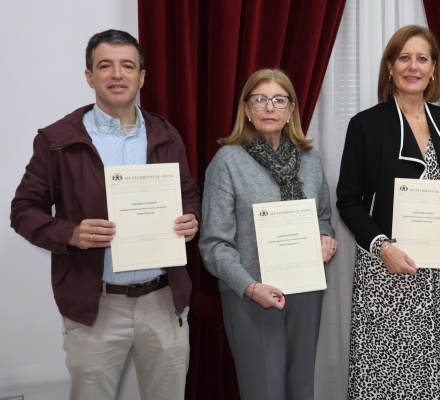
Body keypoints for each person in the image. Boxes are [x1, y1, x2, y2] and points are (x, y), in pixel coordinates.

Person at [9, 29, 199, 399]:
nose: (117, 74)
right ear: (89, 76)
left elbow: (187, 192)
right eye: (105, 66)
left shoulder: (167, 134)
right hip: (95, 307)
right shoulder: (58, 140)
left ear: (141, 76)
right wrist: (70, 234)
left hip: (163, 302)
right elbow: (23, 210)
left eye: (127, 65)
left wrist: (190, 216)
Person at [337, 25, 440, 399]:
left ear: (433, 69)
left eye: (422, 58)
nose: (413, 66)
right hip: (388, 269)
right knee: (389, 378)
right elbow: (348, 199)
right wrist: (382, 247)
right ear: (391, 67)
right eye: (404, 58)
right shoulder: (365, 125)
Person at [199, 68, 338, 399]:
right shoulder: (227, 161)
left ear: (291, 109)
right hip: (252, 297)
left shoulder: (309, 159)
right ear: (246, 109)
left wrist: (325, 238)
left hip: (305, 292)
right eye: (259, 100)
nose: (269, 108)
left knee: (301, 388)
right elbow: (214, 243)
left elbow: (322, 216)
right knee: (264, 391)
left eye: (278, 100)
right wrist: (249, 287)